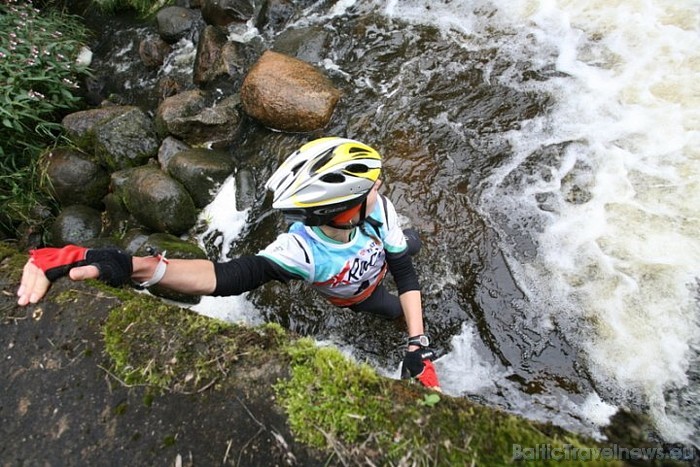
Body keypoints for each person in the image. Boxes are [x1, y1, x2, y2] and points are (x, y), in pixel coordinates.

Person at [16, 137, 440, 389]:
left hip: (383, 257)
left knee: (408, 251)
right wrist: (128, 266)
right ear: (342, 211)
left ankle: (414, 301)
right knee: (394, 312)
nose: (378, 189)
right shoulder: (301, 252)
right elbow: (223, 277)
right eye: (368, 188)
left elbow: (404, 269)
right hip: (358, 296)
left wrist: (418, 344)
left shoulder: (378, 208)